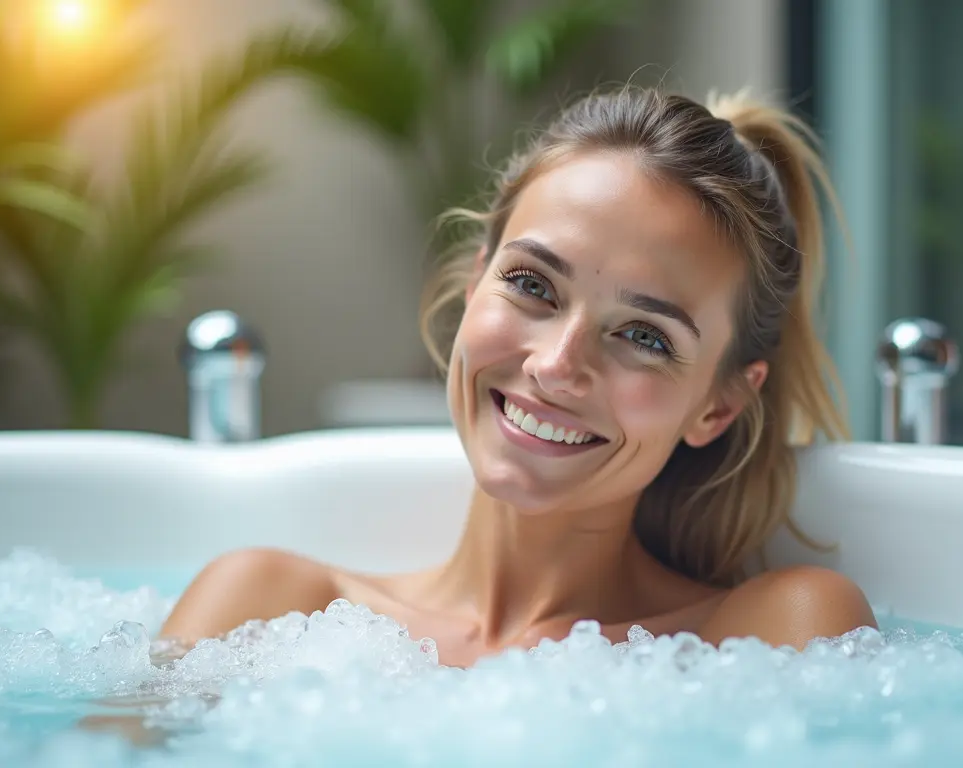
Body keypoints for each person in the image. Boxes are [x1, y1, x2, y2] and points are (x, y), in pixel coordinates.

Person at [161, 85, 877, 667]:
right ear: (476, 284)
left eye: (642, 336)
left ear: (718, 406)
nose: (557, 365)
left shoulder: (771, 637)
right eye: (533, 286)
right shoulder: (263, 611)